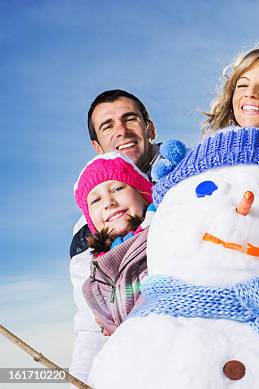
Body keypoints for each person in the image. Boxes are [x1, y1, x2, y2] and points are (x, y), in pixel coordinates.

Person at [69, 90, 161, 383]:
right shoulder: (90, 228)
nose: (121, 131)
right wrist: (82, 379)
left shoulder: (188, 180)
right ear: (97, 145)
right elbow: (89, 322)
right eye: (108, 126)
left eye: (129, 119)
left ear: (150, 129)